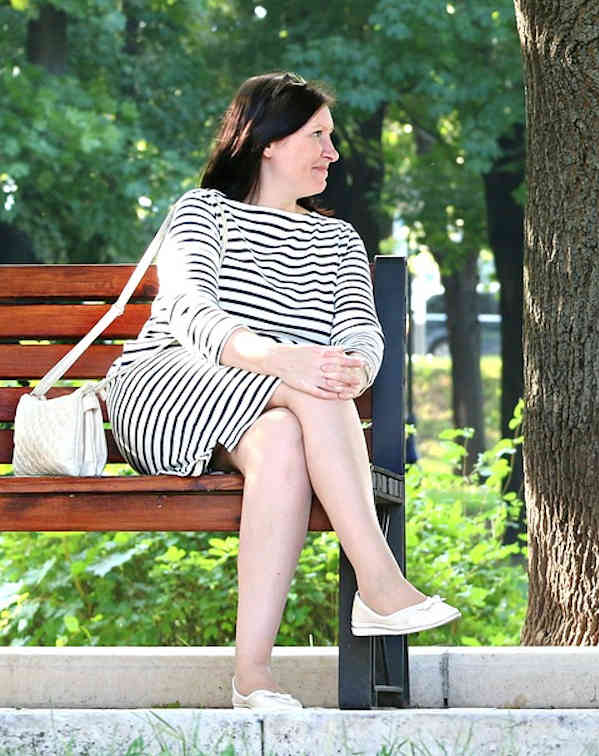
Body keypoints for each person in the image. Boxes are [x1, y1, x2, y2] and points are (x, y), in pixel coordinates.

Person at [104, 72, 461, 710]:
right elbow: (190, 311)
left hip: (276, 410)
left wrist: (351, 367)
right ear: (269, 142)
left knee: (288, 435)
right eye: (318, 135)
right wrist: (284, 361)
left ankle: (253, 676)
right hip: (170, 386)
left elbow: (360, 330)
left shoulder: (337, 238)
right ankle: (379, 583)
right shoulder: (203, 211)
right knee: (310, 395)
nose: (333, 151)